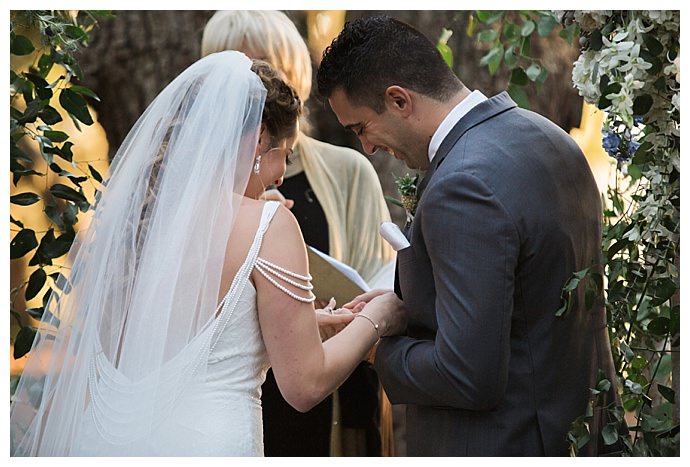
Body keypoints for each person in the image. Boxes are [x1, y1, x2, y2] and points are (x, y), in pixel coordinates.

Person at [9, 51, 405, 456]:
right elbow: (305, 384)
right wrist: (379, 316)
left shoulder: (137, 226)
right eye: (284, 155)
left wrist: (296, 324)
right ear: (257, 139)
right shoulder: (270, 225)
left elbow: (166, 346)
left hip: (108, 443)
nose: (282, 176)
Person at [317, 16, 621, 456]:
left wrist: (374, 342)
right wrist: (406, 308)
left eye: (361, 128)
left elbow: (465, 373)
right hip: (576, 435)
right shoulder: (549, 136)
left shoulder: (462, 185)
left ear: (399, 100)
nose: (367, 148)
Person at [201, 11, 396, 457]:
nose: (253, 81)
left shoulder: (347, 171)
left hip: (323, 406)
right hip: (258, 403)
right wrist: (380, 316)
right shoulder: (268, 221)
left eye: (265, 65)